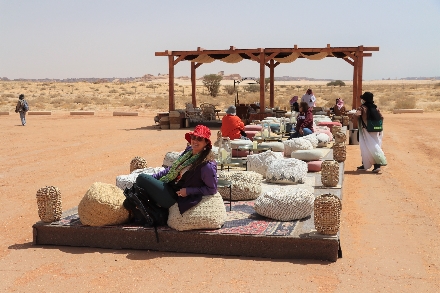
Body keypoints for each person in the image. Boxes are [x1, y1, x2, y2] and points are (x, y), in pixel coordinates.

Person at [135, 125, 217, 214]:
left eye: (200, 139)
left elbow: (212, 189)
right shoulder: (189, 152)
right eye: (193, 137)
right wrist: (153, 178)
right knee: (141, 183)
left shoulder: (206, 165)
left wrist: (188, 191)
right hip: (167, 185)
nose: (195, 141)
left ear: (206, 143)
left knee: (141, 178)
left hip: (175, 196)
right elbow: (172, 169)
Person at [354, 92, 387, 173]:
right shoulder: (375, 108)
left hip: (366, 131)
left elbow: (356, 116)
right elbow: (381, 117)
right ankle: (370, 165)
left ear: (364, 100)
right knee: (375, 145)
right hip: (376, 130)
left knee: (366, 147)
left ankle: (377, 163)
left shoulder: (362, 108)